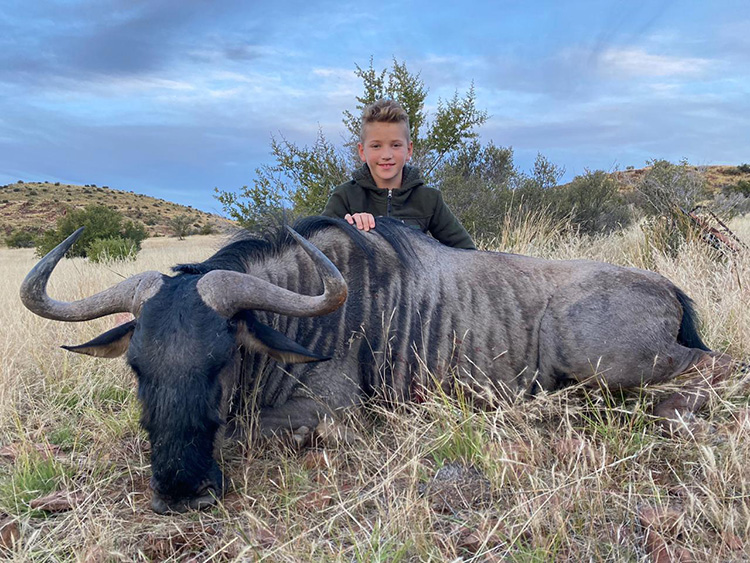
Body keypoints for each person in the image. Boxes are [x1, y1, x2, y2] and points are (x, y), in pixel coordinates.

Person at [322, 99, 476, 250]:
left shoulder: (429, 199)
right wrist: (346, 229)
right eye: (376, 146)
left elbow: (468, 253)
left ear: (409, 150)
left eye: (395, 145)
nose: (386, 155)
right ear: (362, 151)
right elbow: (317, 249)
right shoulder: (344, 197)